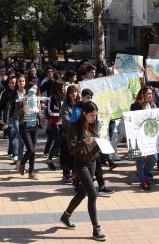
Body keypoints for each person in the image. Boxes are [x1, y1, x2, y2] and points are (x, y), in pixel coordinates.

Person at [60, 101, 106, 242]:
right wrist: (83, 142)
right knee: (92, 193)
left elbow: (96, 143)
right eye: (91, 116)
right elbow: (71, 149)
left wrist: (103, 143)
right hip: (80, 164)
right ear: (84, 114)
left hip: (92, 162)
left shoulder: (94, 125)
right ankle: (96, 228)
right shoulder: (74, 127)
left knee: (82, 192)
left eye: (95, 116)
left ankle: (66, 216)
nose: (94, 118)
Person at [130, 86, 158, 190]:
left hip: (150, 136)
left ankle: (144, 175)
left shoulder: (153, 105)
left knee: (154, 157)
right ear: (143, 95)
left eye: (151, 93)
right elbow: (132, 120)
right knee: (140, 159)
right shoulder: (135, 106)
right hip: (139, 137)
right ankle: (143, 180)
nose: (150, 95)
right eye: (148, 94)